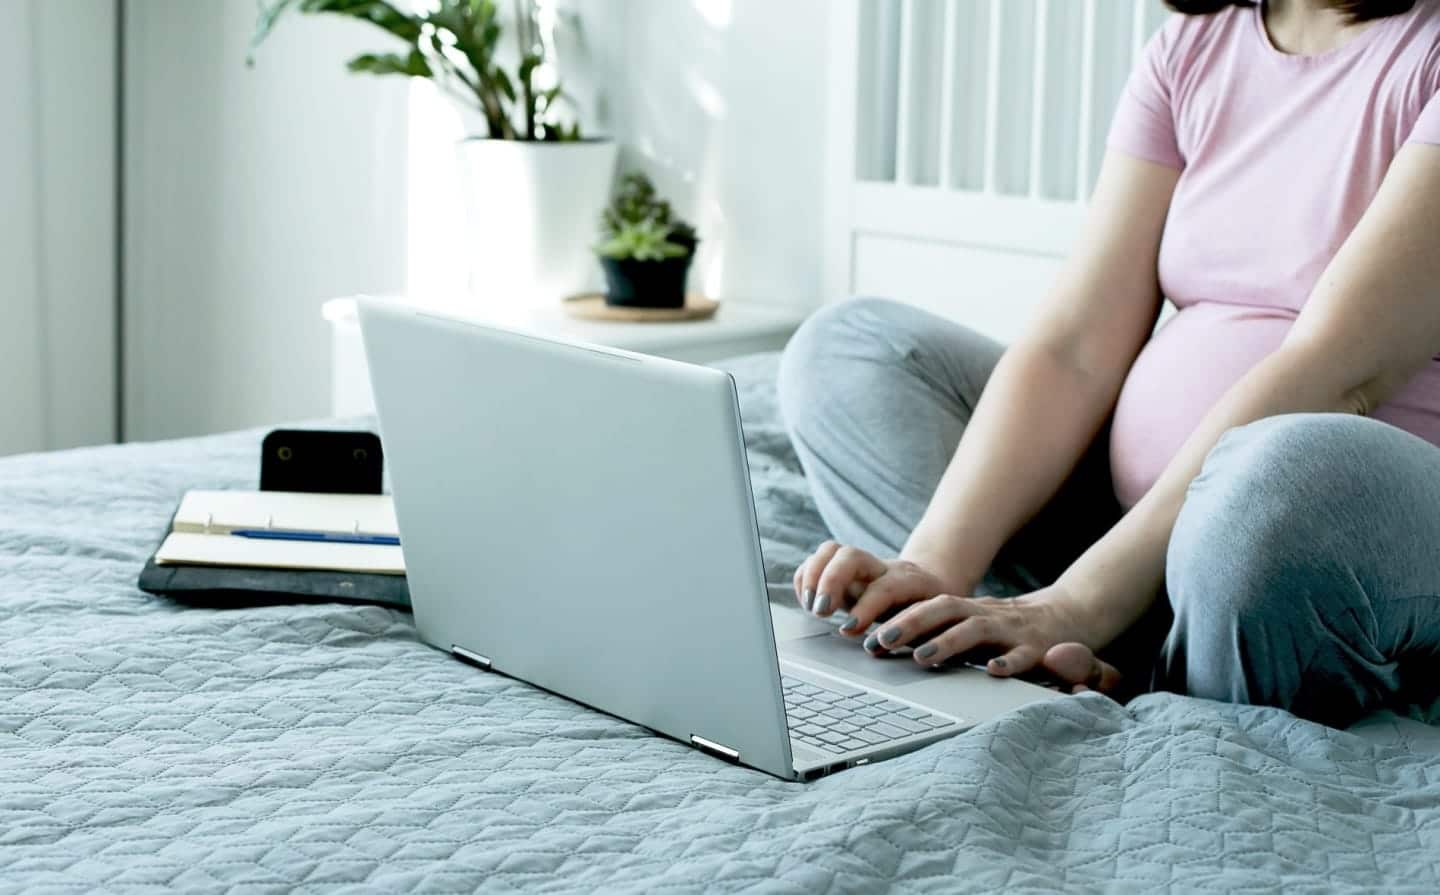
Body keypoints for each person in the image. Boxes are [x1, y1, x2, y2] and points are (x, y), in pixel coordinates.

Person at [778, 0, 1440, 728]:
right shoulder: (1192, 48)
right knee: (848, 349)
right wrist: (931, 564)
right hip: (1139, 535)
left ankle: (1114, 641)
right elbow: (1076, 346)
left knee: (1275, 477)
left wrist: (1076, 601)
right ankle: (1044, 641)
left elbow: (1336, 370)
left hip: (1329, 527)